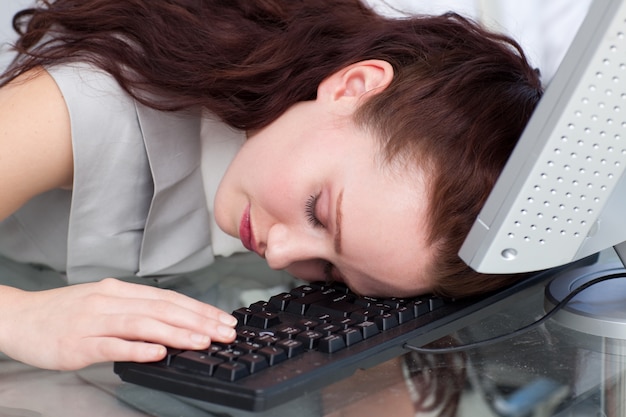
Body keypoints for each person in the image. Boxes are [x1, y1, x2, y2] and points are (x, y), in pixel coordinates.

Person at [0, 0, 543, 371]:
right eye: (318, 212)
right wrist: (23, 318)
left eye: (333, 273)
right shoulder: (85, 105)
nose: (280, 255)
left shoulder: (289, 139)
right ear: (354, 85)